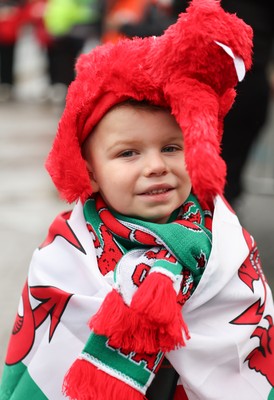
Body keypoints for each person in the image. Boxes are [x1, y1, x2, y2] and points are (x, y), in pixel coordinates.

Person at [0, 0, 274, 399]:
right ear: (89, 170)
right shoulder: (66, 252)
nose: (155, 167)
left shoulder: (227, 243)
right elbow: (45, 345)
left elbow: (250, 336)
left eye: (171, 147)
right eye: (128, 153)